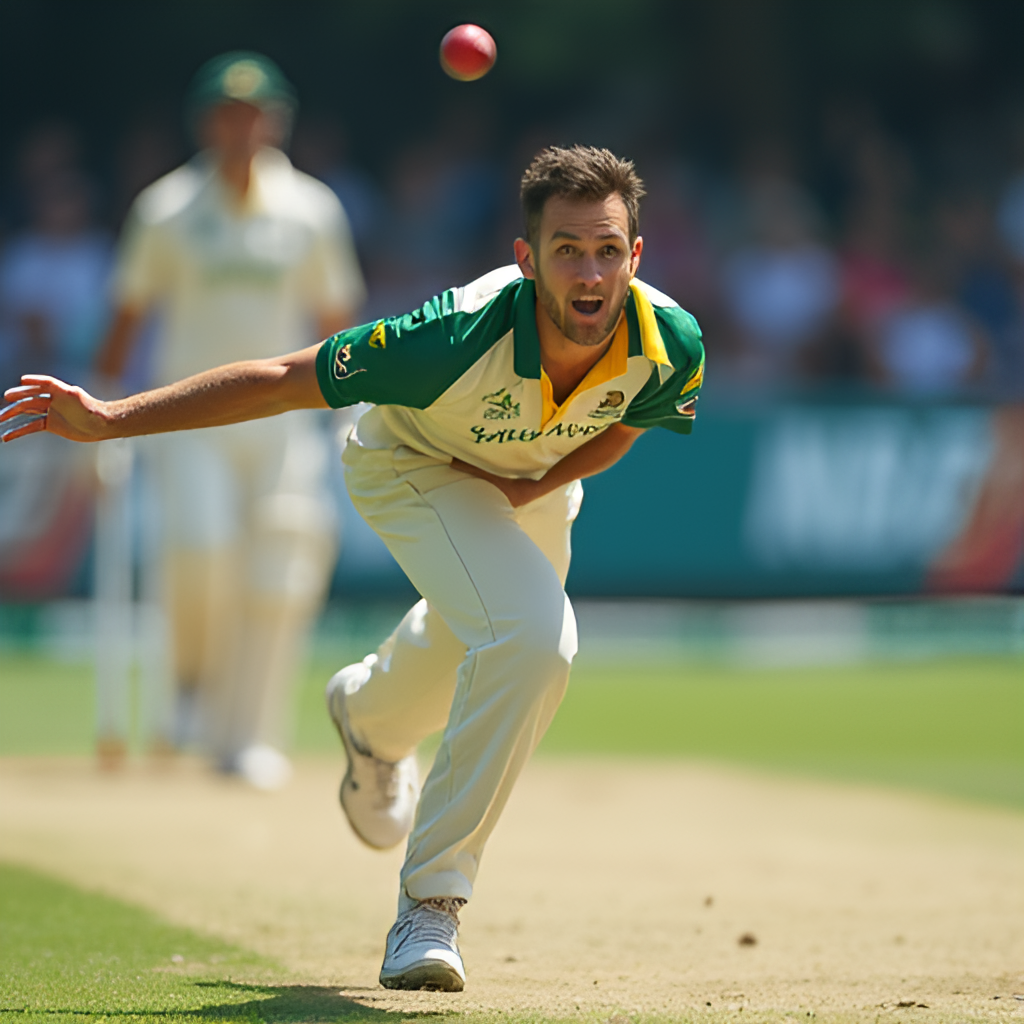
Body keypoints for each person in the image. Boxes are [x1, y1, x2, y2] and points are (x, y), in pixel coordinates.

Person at [2, 146, 705, 991]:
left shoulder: (672, 340)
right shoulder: (448, 335)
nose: (588, 274)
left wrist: (537, 483)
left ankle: (369, 716)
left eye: (605, 251)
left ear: (636, 255)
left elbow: (627, 419)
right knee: (534, 639)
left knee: (482, 629)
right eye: (566, 251)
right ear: (527, 260)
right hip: (411, 467)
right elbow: (278, 379)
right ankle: (430, 906)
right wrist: (112, 418)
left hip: (531, 479)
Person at [93, 53, 366, 786]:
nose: (243, 126)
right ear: (207, 122)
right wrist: (102, 414)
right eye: (228, 113)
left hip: (282, 422)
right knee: (199, 547)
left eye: (256, 112)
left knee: (282, 569)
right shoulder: (167, 209)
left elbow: (338, 321)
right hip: (189, 417)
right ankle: (187, 685)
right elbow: (126, 318)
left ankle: (248, 736)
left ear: (277, 121)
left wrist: (351, 412)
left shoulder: (311, 209)